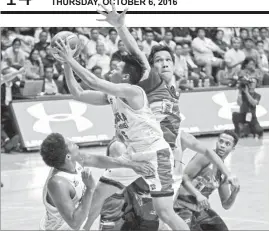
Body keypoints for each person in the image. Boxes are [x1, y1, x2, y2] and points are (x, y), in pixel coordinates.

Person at [54, 6, 237, 231]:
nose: (163, 64)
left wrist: (71, 58)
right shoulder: (133, 89)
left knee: (164, 214)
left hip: (158, 155)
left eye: (167, 60)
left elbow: (127, 65)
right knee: (100, 193)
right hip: (135, 153)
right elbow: (80, 92)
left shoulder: (141, 88)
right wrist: (67, 62)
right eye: (159, 60)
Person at [39, 133, 154, 230]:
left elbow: (97, 160)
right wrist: (89, 189)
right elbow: (75, 223)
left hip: (78, 223)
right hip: (61, 228)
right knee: (98, 193)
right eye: (70, 143)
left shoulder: (74, 160)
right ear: (68, 157)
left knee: (99, 194)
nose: (74, 143)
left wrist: (130, 165)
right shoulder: (58, 184)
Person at [174, 130, 240, 231]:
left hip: (198, 209)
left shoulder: (224, 173)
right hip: (181, 205)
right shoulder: (205, 157)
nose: (222, 145)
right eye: (221, 141)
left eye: (227, 144)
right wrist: (198, 195)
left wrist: (234, 193)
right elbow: (184, 177)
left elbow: (226, 205)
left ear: (233, 148)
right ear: (217, 142)